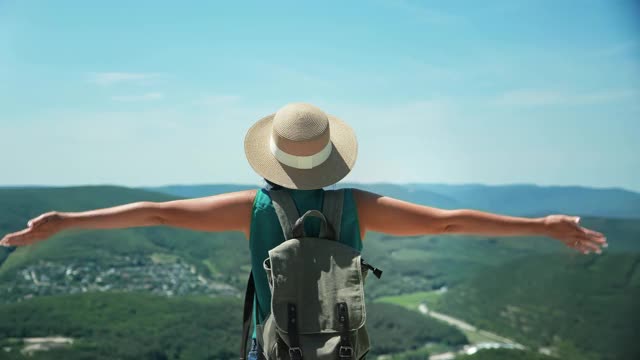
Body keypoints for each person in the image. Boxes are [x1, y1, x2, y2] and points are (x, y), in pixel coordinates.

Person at [0, 103, 607, 358]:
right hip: (340, 349)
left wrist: (65, 221)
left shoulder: (250, 206)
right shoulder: (358, 206)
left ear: (275, 158)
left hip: (276, 350)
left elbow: (157, 213)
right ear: (329, 157)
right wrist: (543, 226)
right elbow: (448, 221)